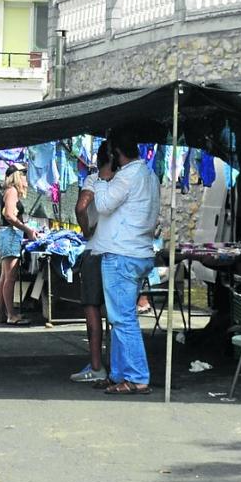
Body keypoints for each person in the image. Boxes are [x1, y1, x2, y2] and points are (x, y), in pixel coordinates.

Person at [89, 130, 160, 395]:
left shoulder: (127, 175)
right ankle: (120, 373)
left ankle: (137, 376)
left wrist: (102, 180)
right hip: (136, 252)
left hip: (122, 254)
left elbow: (104, 204)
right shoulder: (149, 175)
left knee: (124, 318)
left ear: (116, 154)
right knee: (119, 318)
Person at [71, 141, 110, 383]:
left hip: (96, 250)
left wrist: (87, 230)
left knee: (92, 308)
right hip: (119, 251)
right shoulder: (129, 180)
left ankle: (97, 365)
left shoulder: (95, 180)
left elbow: (80, 207)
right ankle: (118, 365)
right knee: (119, 313)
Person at [0, 164, 36, 326]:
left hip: (7, 235)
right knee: (9, 278)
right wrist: (27, 229)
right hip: (11, 235)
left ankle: (1, 314)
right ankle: (11, 314)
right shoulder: (12, 191)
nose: (26, 177)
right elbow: (10, 215)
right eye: (24, 173)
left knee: (4, 277)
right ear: (18, 175)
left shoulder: (8, 191)